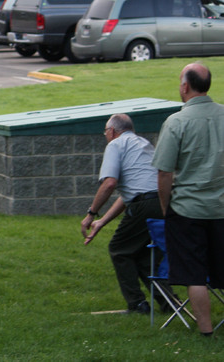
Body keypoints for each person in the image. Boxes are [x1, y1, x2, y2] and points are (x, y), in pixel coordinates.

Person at [153, 62, 224, 337]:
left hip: (187, 210)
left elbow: (164, 172)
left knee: (194, 274)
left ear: (184, 86)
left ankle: (206, 330)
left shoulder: (176, 122)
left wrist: (165, 207)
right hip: (221, 208)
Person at [81, 113, 168, 314]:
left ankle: (137, 304)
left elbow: (109, 183)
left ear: (112, 131)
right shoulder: (144, 144)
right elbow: (131, 194)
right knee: (145, 257)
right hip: (162, 202)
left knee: (119, 249)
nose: (105, 135)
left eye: (105, 131)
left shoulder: (115, 145)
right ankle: (168, 302)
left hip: (144, 204)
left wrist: (91, 214)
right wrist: (102, 221)